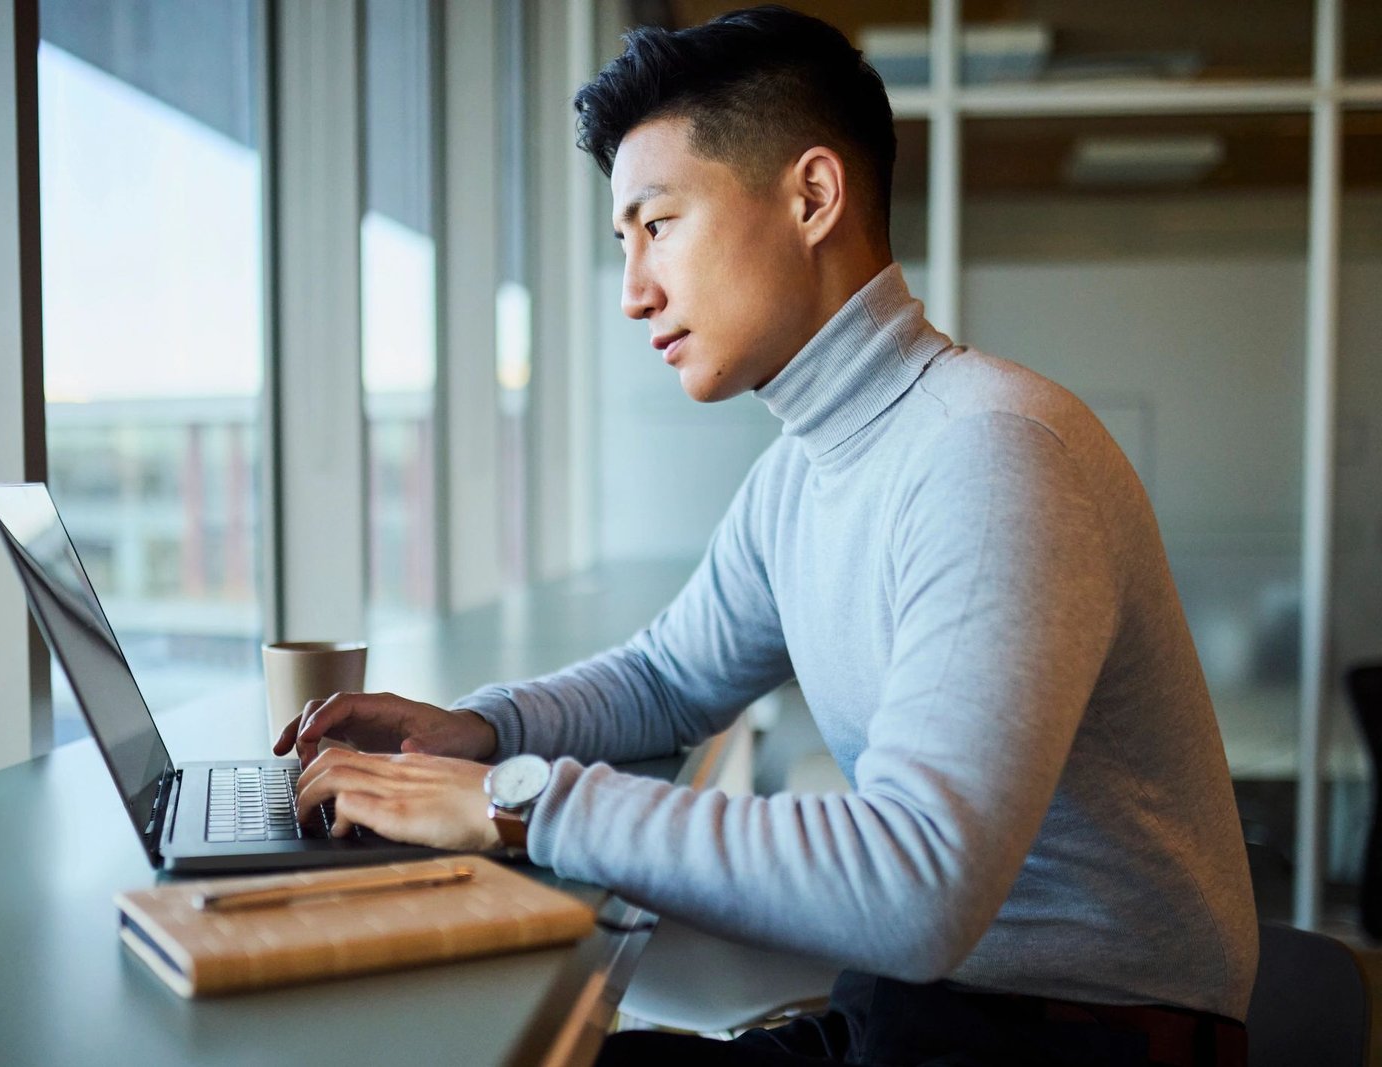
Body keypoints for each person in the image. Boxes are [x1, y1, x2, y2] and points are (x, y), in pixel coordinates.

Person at [274, 6, 1258, 1064]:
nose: (633, 292)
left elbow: (916, 883)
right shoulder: (803, 470)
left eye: (658, 224)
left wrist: (516, 801)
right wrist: (477, 731)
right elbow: (667, 680)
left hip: (1067, 1038)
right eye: (622, 242)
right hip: (923, 1012)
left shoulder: (990, 453)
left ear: (813, 197)